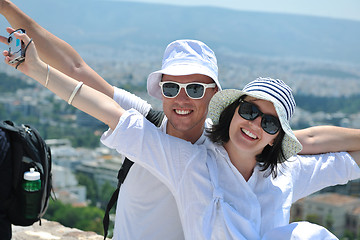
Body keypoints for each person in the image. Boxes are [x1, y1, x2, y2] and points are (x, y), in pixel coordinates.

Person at [2, 2, 360, 239]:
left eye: (195, 87)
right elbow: (78, 72)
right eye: (171, 86)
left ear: (216, 95)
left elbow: (303, 140)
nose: (182, 98)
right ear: (160, 91)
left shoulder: (229, 147)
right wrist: (9, 13)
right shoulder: (151, 126)